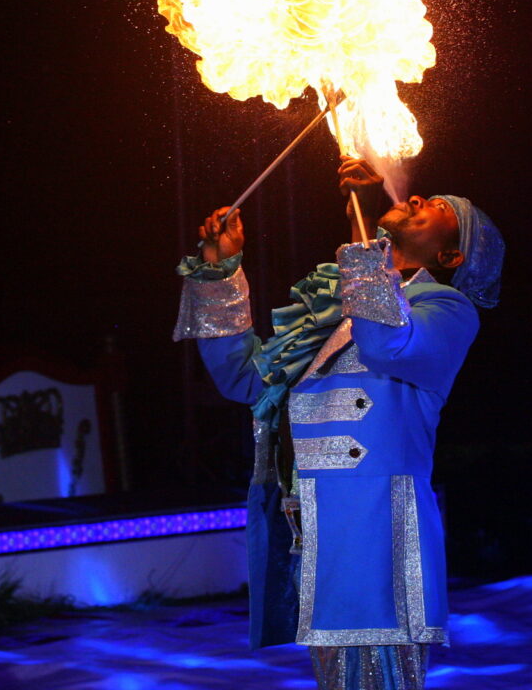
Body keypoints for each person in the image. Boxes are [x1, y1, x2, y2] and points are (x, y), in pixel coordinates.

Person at [173, 157, 505, 689]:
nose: (418, 199)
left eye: (437, 208)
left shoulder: (448, 308)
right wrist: (222, 270)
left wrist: (364, 220)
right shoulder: (334, 308)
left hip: (378, 526)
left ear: (450, 254)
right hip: (313, 523)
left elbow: (386, 342)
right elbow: (246, 380)